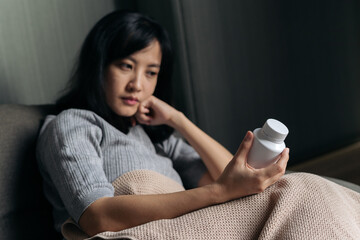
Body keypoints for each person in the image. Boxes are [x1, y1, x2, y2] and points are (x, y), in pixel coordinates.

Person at [36, 10, 289, 237]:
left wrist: (178, 120)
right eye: (126, 65)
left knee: (298, 190)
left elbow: (238, 179)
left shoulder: (157, 138)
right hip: (146, 233)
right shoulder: (73, 124)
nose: (137, 84)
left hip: (189, 227)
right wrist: (217, 193)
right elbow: (97, 217)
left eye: (151, 72)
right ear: (99, 65)